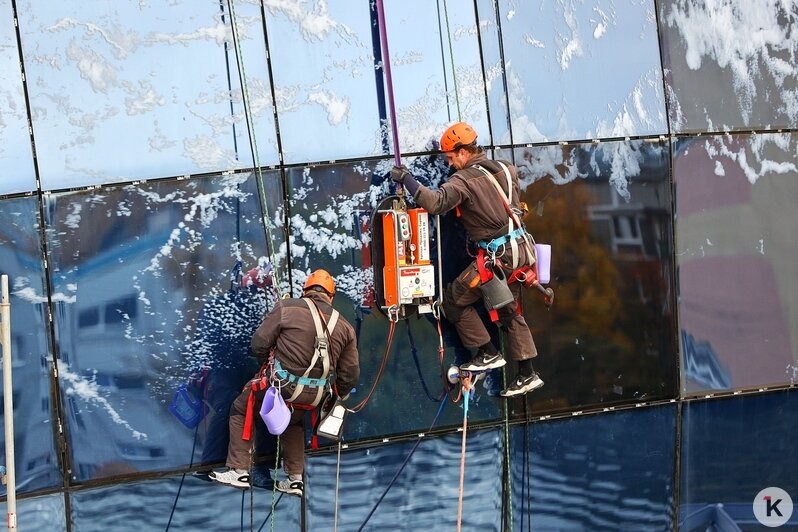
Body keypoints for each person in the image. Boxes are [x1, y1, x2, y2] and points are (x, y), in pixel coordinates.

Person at [390, 121, 545, 397]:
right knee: (509, 313)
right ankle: (527, 373)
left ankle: (487, 352)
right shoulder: (506, 169)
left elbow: (436, 203)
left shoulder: (463, 181)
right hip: (521, 250)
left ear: (463, 152)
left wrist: (407, 180)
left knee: (453, 300)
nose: (450, 164)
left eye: (451, 157)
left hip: (496, 258)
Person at [210, 269, 360, 497]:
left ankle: (239, 469)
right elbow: (349, 373)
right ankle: (295, 479)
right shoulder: (345, 327)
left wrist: (268, 363)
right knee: (293, 420)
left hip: (281, 385)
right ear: (331, 296)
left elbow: (258, 343)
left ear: (306, 291)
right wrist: (341, 393)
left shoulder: (287, 308)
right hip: (314, 395)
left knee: (241, 407)